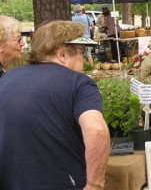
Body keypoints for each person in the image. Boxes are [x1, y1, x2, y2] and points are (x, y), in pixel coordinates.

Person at [0, 20, 110, 190]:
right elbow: (97, 131)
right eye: (81, 53)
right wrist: (94, 185)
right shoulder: (79, 83)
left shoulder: (7, 79)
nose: (83, 60)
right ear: (62, 55)